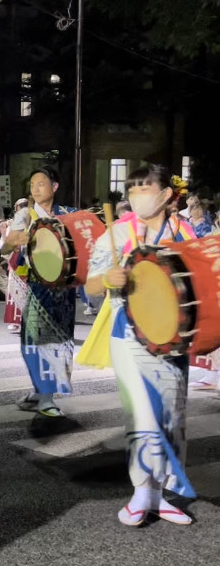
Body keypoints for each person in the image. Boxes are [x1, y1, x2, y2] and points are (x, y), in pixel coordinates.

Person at [84, 165, 195, 527]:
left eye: (144, 189)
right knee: (144, 415)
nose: (136, 197)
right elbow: (89, 287)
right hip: (129, 334)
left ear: (165, 195)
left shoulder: (185, 232)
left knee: (172, 417)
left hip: (175, 338)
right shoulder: (117, 233)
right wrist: (108, 279)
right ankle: (141, 492)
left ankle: (160, 494)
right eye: (131, 191)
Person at [0, 169, 77, 417]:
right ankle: (41, 391)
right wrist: (16, 238)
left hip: (63, 287)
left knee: (58, 342)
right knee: (31, 343)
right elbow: (6, 245)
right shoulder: (26, 214)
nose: (35, 188)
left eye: (41, 183)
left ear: (54, 187)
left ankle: (45, 396)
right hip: (37, 284)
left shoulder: (66, 214)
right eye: (32, 184)